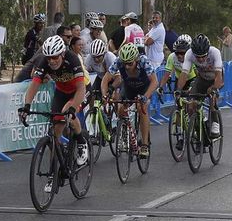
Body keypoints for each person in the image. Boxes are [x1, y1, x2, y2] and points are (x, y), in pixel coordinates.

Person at [19, 34, 90, 170]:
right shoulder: (43, 61)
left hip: (81, 89)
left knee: (67, 111)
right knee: (56, 133)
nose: (51, 61)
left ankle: (81, 141)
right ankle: (54, 172)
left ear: (62, 53)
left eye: (55, 57)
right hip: (61, 91)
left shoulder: (72, 59)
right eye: (48, 57)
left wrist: (73, 108)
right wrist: (26, 106)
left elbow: (81, 88)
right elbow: (34, 85)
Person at [101, 42, 159, 157]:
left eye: (130, 63)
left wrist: (145, 97)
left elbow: (154, 81)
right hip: (129, 87)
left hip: (144, 88)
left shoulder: (143, 61)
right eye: (125, 63)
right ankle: (124, 133)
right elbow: (105, 79)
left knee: (141, 107)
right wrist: (104, 95)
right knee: (121, 109)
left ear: (136, 59)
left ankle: (145, 145)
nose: (127, 66)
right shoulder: (118, 61)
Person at [171, 34, 224, 138]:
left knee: (212, 98)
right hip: (202, 78)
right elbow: (184, 74)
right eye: (197, 57)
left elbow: (219, 76)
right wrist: (178, 90)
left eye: (203, 56)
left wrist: (213, 88)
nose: (200, 59)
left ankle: (215, 123)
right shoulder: (189, 54)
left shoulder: (215, 52)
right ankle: (199, 124)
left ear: (207, 52)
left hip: (215, 78)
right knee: (191, 103)